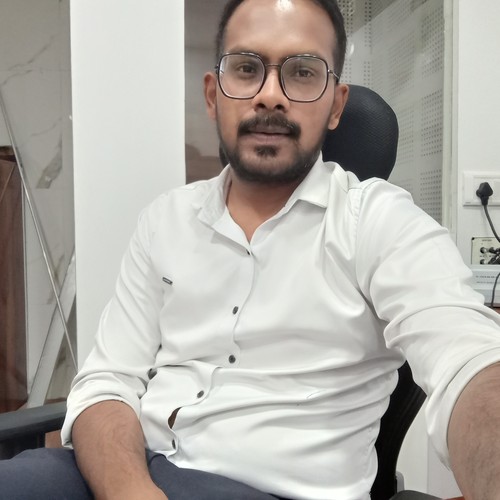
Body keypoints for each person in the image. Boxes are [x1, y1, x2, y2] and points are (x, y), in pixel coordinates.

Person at [2, 0, 500, 499]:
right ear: (212, 95)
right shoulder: (165, 221)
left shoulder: (379, 222)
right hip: (131, 471)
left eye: (302, 72)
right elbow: (108, 382)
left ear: (336, 105)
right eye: (246, 68)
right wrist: (130, 490)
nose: (270, 96)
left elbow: (470, 360)